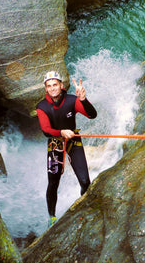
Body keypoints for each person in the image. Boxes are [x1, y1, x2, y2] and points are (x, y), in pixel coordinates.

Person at [36, 71, 97, 227]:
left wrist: (83, 100)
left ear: (61, 85)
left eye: (55, 84)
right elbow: (46, 130)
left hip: (73, 140)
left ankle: (82, 209)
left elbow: (92, 115)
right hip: (55, 143)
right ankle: (52, 217)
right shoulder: (42, 106)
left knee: (85, 181)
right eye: (49, 86)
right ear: (45, 89)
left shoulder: (72, 100)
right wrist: (61, 132)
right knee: (53, 182)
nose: (52, 88)